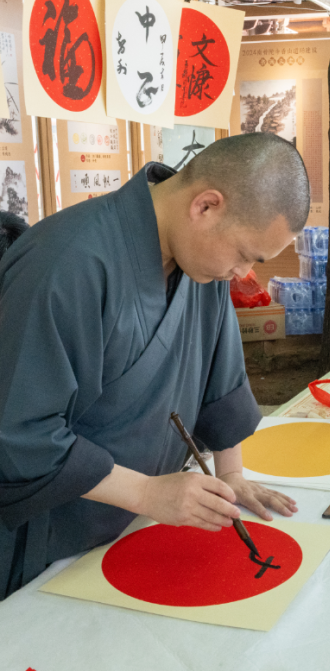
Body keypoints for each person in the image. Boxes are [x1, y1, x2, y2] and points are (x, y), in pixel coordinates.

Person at [0, 133, 309, 599]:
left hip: (136, 525)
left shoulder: (199, 261)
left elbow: (219, 380)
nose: (243, 274)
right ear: (206, 206)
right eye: (246, 255)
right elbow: (20, 433)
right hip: (51, 537)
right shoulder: (67, 262)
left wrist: (231, 477)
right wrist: (147, 494)